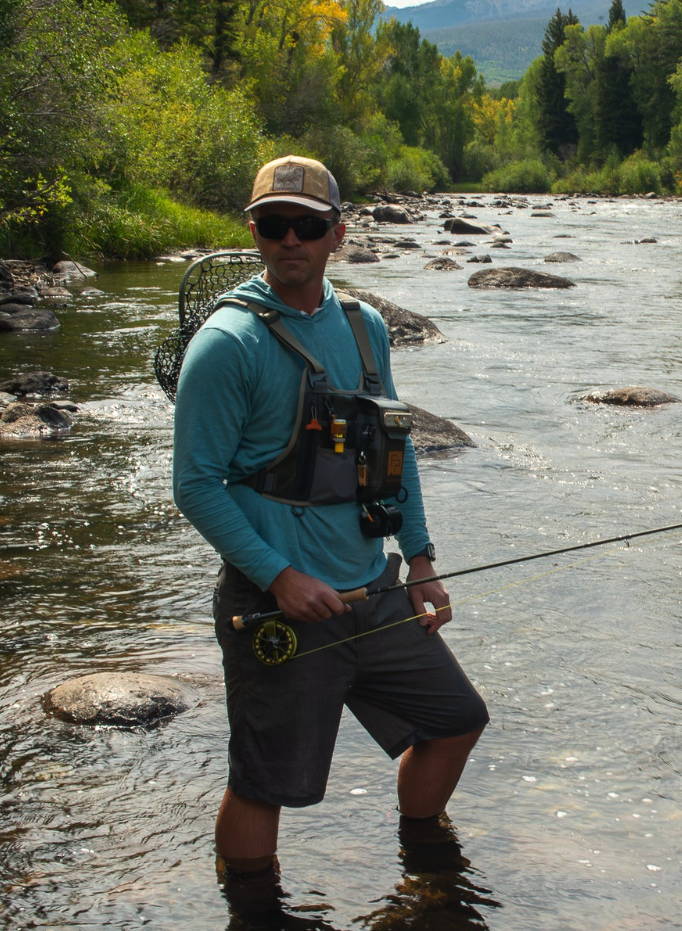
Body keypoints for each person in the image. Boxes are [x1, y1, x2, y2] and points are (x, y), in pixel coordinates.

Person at [171, 155, 487, 888]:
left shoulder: (363, 325)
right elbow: (194, 485)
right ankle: (253, 908)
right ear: (253, 232)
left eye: (306, 226)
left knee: (455, 719)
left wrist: (419, 559)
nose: (290, 239)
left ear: (336, 234)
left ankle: (422, 866)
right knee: (263, 781)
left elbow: (393, 448)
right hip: (274, 604)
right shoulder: (226, 344)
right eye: (274, 225)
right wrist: (278, 577)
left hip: (371, 590)